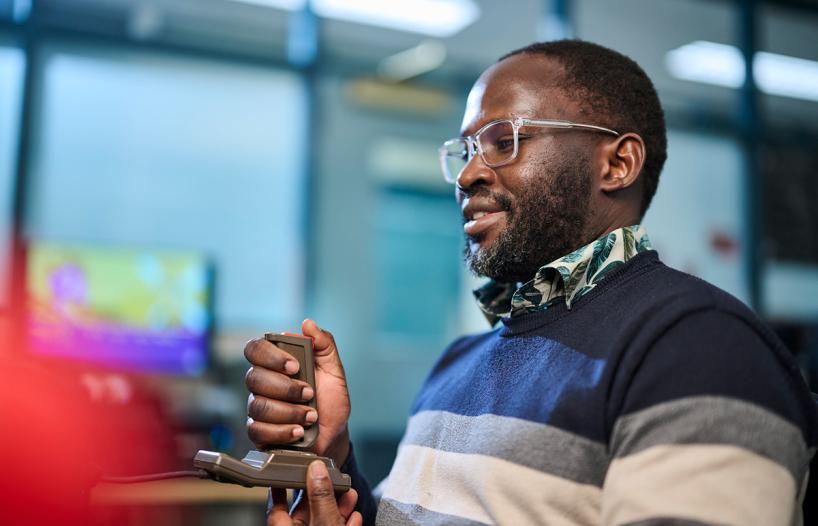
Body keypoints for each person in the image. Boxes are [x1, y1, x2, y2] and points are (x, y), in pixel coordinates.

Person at [242, 40, 818, 526]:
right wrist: (333, 460)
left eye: (503, 141)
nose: (468, 175)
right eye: (466, 150)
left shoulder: (697, 348)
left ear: (616, 165)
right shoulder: (459, 364)